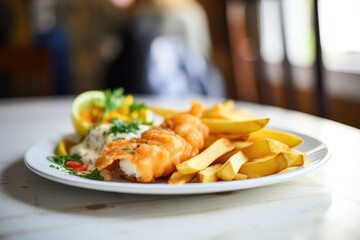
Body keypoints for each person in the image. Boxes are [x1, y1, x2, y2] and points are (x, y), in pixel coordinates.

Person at [105, 0, 227, 97]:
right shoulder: (193, 12)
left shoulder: (141, 16)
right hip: (189, 98)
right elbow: (205, 64)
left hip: (148, 96)